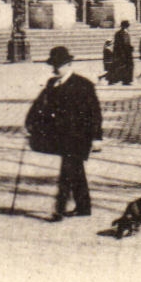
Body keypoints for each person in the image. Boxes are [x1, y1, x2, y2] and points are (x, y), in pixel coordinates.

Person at [24, 47, 103, 221]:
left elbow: (94, 113)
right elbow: (39, 106)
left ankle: (59, 210)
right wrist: (30, 123)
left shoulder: (83, 85)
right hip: (61, 137)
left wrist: (97, 138)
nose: (54, 69)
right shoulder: (53, 83)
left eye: (58, 65)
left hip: (79, 137)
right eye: (53, 65)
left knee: (67, 173)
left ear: (68, 64)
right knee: (75, 172)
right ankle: (84, 207)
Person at [110, 20, 133, 85]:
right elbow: (118, 44)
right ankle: (113, 80)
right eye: (127, 26)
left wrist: (130, 48)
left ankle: (126, 80)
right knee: (119, 67)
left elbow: (127, 43)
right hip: (121, 53)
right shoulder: (119, 33)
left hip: (127, 53)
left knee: (127, 67)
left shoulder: (126, 33)